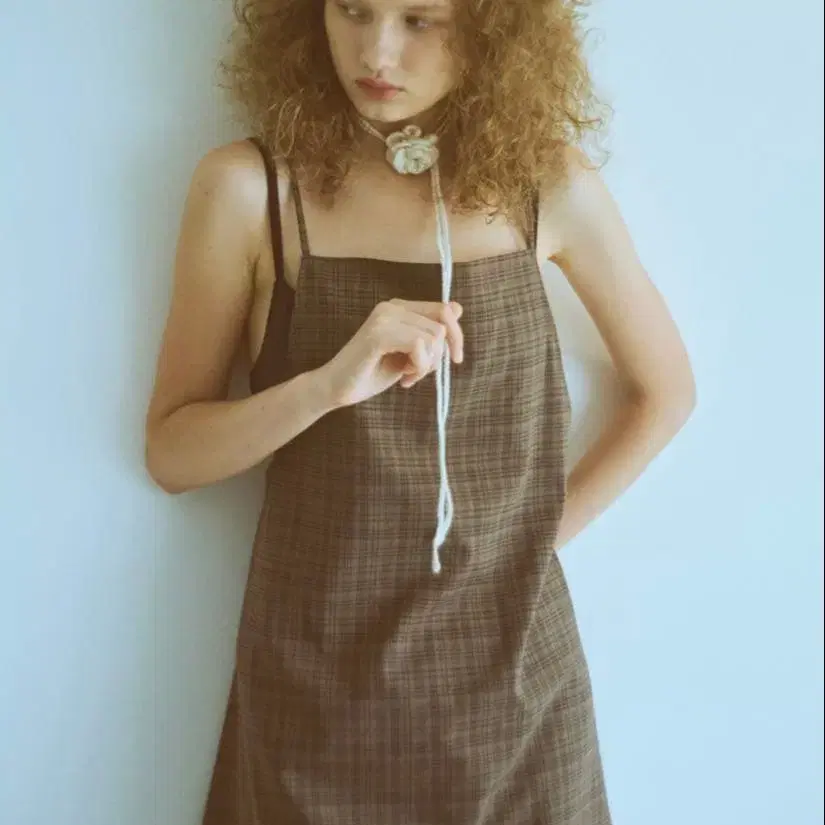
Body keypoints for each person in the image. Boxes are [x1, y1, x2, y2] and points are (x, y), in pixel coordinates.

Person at [144, 0, 696, 822]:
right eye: (352, 10)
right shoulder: (250, 189)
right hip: (315, 692)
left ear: (492, 28)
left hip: (515, 691)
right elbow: (173, 452)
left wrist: (526, 545)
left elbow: (665, 391)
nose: (376, 51)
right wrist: (326, 385)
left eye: (419, 19)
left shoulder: (545, 185)